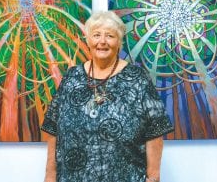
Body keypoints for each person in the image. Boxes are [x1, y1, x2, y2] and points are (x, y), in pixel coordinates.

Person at [41, 11, 174, 182]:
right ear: (88, 41)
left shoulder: (138, 79)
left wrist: (153, 177)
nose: (102, 41)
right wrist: (50, 175)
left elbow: (155, 129)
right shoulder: (71, 77)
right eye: (96, 35)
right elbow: (53, 127)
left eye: (110, 36)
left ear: (119, 42)